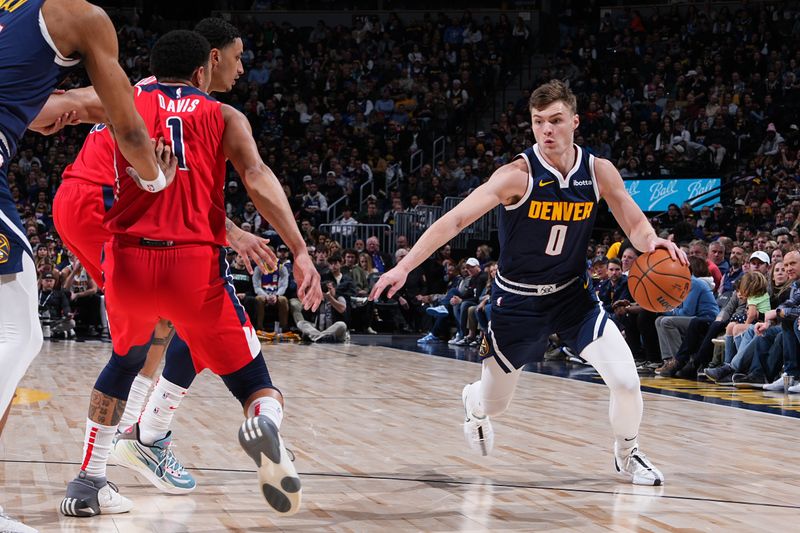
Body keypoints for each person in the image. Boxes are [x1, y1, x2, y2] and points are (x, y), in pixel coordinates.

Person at [371, 80, 686, 486]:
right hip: (516, 303)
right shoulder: (515, 175)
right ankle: (474, 402)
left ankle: (628, 454)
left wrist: (651, 241)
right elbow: (456, 220)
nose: (547, 130)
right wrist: (405, 266)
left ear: (574, 121)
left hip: (574, 297)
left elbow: (632, 220)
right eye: (539, 122)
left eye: (555, 121)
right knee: (495, 404)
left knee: (626, 381)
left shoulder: (598, 171)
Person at [59, 31, 321, 518]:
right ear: (203, 70)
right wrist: (300, 250)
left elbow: (65, 106)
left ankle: (89, 481)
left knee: (123, 361)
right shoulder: (224, 116)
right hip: (193, 267)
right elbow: (258, 177)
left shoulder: (127, 100)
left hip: (131, 259)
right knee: (253, 382)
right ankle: (262, 426)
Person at [0, 1, 175, 529]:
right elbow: (128, 126)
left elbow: (56, 104)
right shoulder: (81, 16)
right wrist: (155, 179)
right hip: (86, 201)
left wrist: (50, 106)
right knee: (19, 333)